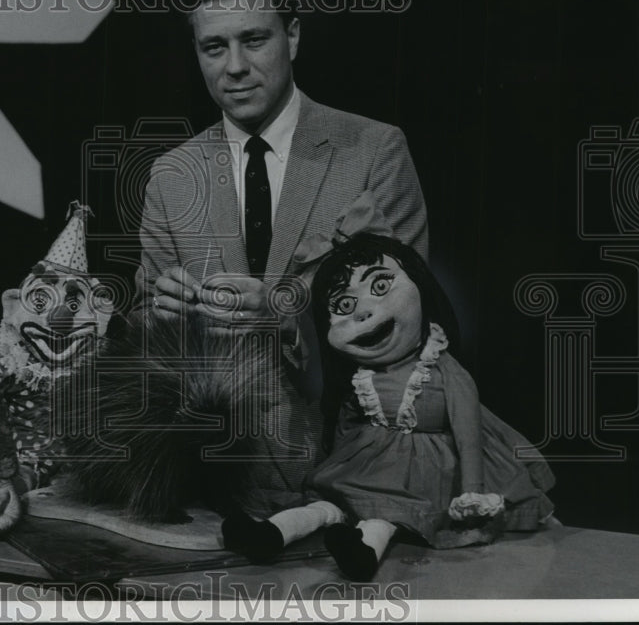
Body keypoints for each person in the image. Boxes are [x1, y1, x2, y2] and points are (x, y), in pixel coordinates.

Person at [136, 0, 429, 510]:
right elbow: (144, 337)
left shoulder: (374, 151)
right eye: (214, 47)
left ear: (291, 36)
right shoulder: (171, 176)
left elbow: (413, 325)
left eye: (254, 40)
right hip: (212, 486)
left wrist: (286, 312)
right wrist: (162, 315)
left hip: (354, 474)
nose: (235, 67)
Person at [222, 226, 555, 580]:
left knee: (385, 514)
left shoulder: (444, 370)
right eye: (344, 305)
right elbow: (348, 424)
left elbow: (468, 434)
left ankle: (364, 551)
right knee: (329, 502)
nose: (364, 313)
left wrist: (472, 492)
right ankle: (270, 533)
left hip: (426, 473)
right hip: (368, 462)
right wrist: (338, 459)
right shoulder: (361, 378)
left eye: (381, 286)